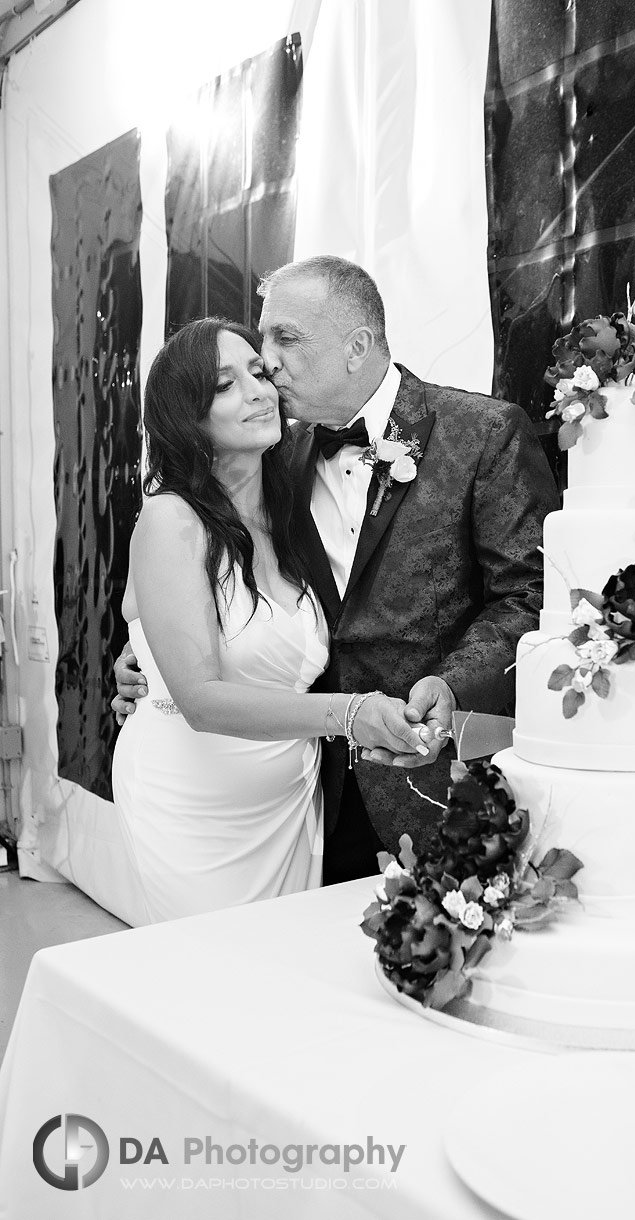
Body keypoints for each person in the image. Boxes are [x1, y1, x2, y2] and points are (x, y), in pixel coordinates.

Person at [115, 257, 559, 884]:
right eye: (260, 339)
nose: (266, 362)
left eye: (284, 340)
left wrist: (455, 684)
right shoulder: (274, 455)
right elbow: (208, 589)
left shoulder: (482, 434)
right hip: (310, 784)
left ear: (357, 347)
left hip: (431, 771)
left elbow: (531, 595)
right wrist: (152, 660)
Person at [111, 316, 429, 923]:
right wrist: (353, 714)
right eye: (225, 385)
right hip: (193, 805)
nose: (259, 391)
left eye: (258, 373)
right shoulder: (171, 519)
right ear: (187, 415)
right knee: (210, 984)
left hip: (293, 801)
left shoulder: (293, 510)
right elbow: (200, 699)